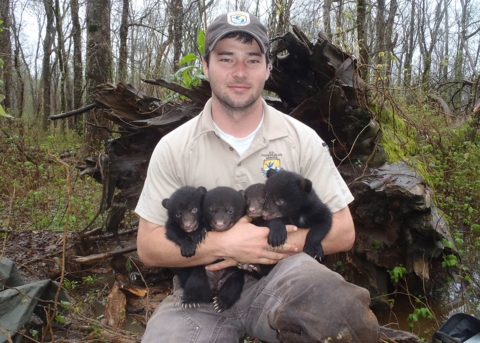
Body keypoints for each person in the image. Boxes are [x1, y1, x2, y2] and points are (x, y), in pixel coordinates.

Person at [135, 11, 380, 343]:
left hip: (284, 274)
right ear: (206, 67)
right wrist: (226, 244)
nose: (239, 72)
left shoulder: (301, 139)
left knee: (343, 314)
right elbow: (148, 247)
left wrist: (263, 246)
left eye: (252, 60)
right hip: (201, 285)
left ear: (267, 69)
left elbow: (343, 230)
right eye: (226, 59)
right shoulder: (174, 147)